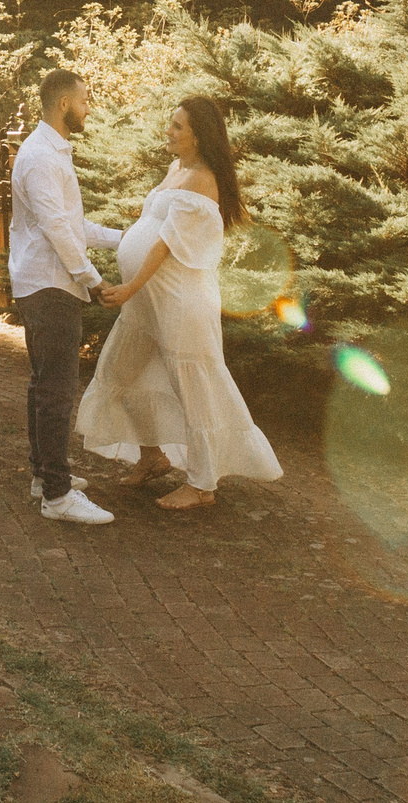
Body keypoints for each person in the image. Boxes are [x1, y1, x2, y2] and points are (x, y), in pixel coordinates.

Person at [78, 94, 283, 511]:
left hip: (179, 301)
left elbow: (167, 244)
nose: (168, 131)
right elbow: (148, 229)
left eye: (178, 126)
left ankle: (202, 484)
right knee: (121, 370)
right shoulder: (177, 169)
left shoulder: (203, 179)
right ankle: (152, 457)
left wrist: (130, 287)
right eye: (170, 123)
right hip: (148, 301)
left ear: (199, 137)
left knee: (196, 388)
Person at [7, 68, 123, 524]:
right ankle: (57, 497)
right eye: (86, 100)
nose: (89, 108)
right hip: (50, 286)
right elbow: (58, 230)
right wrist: (92, 280)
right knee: (57, 390)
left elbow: (70, 224)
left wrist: (127, 237)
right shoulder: (41, 157)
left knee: (43, 386)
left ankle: (44, 474)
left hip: (46, 283)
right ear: (63, 104)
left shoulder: (50, 152)